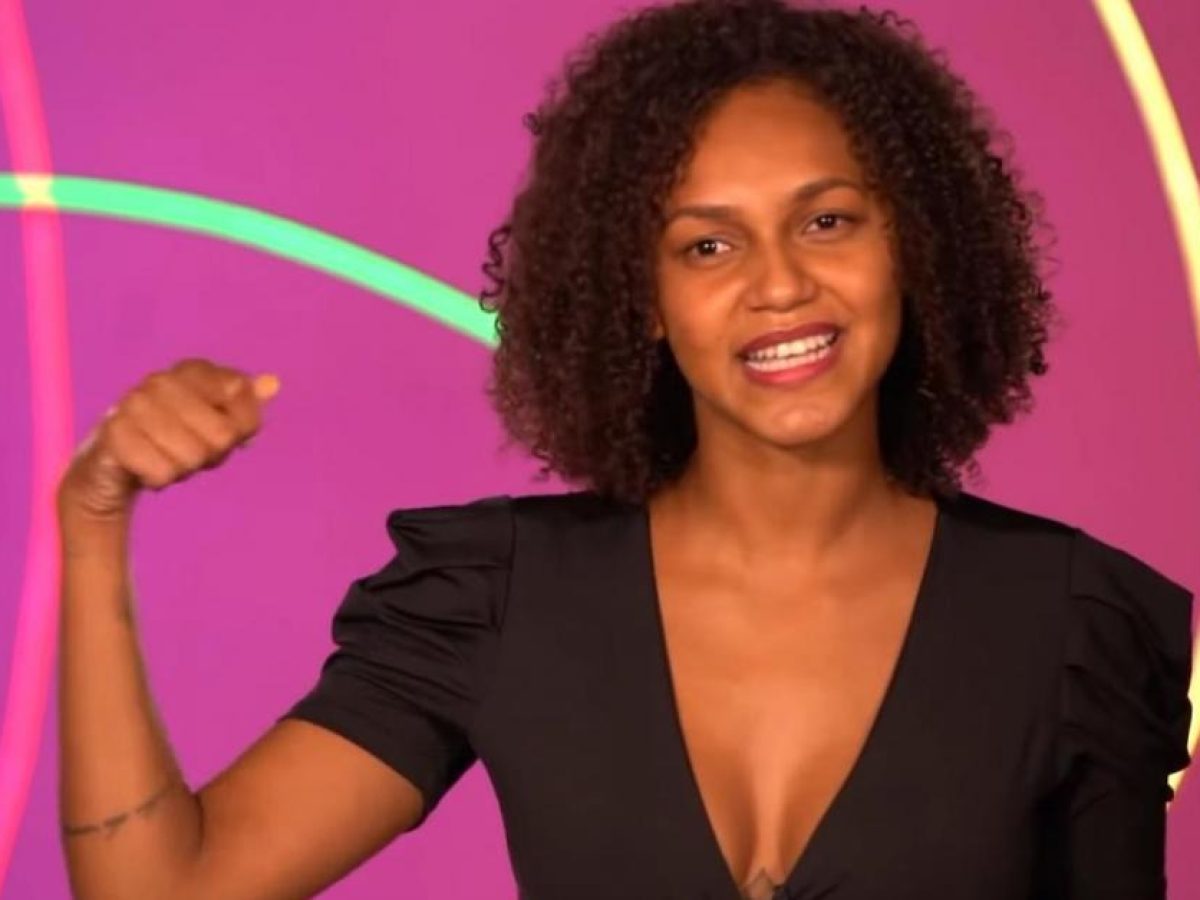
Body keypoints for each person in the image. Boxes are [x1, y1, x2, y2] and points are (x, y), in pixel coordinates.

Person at [55, 0, 1194, 898]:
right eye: (707, 246)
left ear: (915, 246)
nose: (781, 283)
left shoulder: (1075, 626)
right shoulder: (497, 597)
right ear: (639, 301)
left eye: (827, 221)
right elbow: (163, 889)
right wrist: (94, 520)